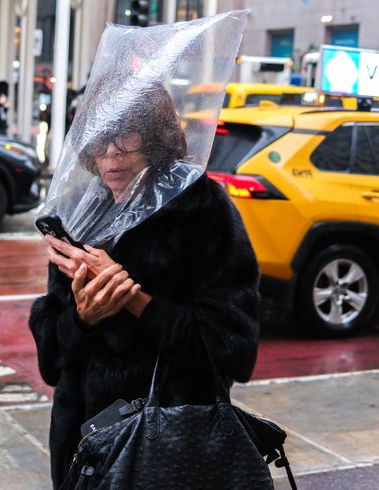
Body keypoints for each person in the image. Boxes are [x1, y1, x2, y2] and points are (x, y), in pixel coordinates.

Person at [28, 83, 261, 487]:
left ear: (156, 137)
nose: (111, 152)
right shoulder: (86, 211)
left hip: (163, 443)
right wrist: (83, 318)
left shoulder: (199, 208)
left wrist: (131, 298)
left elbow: (232, 348)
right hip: (81, 446)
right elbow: (53, 360)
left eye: (127, 135)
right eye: (100, 138)